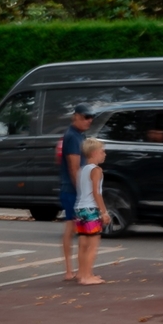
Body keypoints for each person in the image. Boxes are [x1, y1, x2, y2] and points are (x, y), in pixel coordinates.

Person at [56, 102, 93, 280]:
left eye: (91, 117)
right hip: (72, 190)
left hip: (73, 189)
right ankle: (71, 270)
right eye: (86, 117)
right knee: (73, 228)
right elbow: (74, 167)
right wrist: (82, 191)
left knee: (77, 228)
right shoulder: (72, 136)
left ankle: (77, 270)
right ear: (76, 116)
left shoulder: (78, 135)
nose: (89, 120)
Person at [71, 140, 108, 284]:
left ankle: (83, 273)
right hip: (91, 210)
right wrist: (104, 212)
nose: (104, 154)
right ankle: (87, 277)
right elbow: (96, 193)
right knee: (93, 244)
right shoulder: (96, 170)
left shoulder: (82, 170)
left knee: (83, 244)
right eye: (102, 151)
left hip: (79, 208)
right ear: (94, 153)